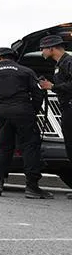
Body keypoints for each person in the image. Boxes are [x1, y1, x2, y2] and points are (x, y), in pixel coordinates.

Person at [0, 47, 51, 198]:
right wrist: (33, 109)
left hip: (2, 112)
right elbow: (38, 93)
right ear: (13, 58)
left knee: (3, 147)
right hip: (24, 111)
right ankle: (32, 186)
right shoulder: (26, 71)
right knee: (30, 147)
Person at [37, 34, 72, 200]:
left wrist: (53, 86)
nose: (41, 51)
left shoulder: (68, 61)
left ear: (52, 48)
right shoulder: (60, 64)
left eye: (43, 48)